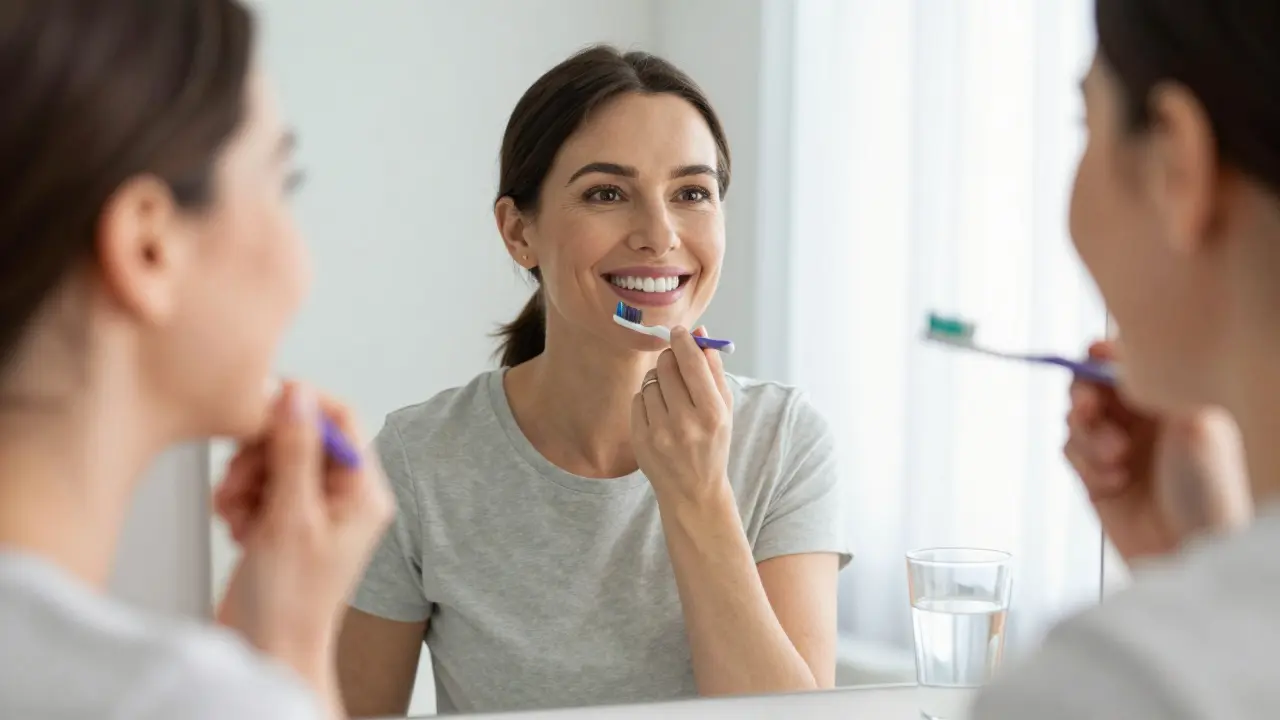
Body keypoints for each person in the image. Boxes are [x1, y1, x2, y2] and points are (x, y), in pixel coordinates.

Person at [336, 45, 851, 716]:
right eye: (607, 193)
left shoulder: (786, 441)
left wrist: (697, 496)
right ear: (518, 232)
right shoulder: (420, 460)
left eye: (691, 193)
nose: (659, 234)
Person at [0, 2, 393, 719]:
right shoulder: (181, 700)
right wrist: (292, 661)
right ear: (148, 247)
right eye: (282, 186)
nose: (303, 267)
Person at [973, 0, 1280, 717]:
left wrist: (1199, 604)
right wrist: (1202, 560)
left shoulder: (1108, 689)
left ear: (1177, 160)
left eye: (1088, 123)